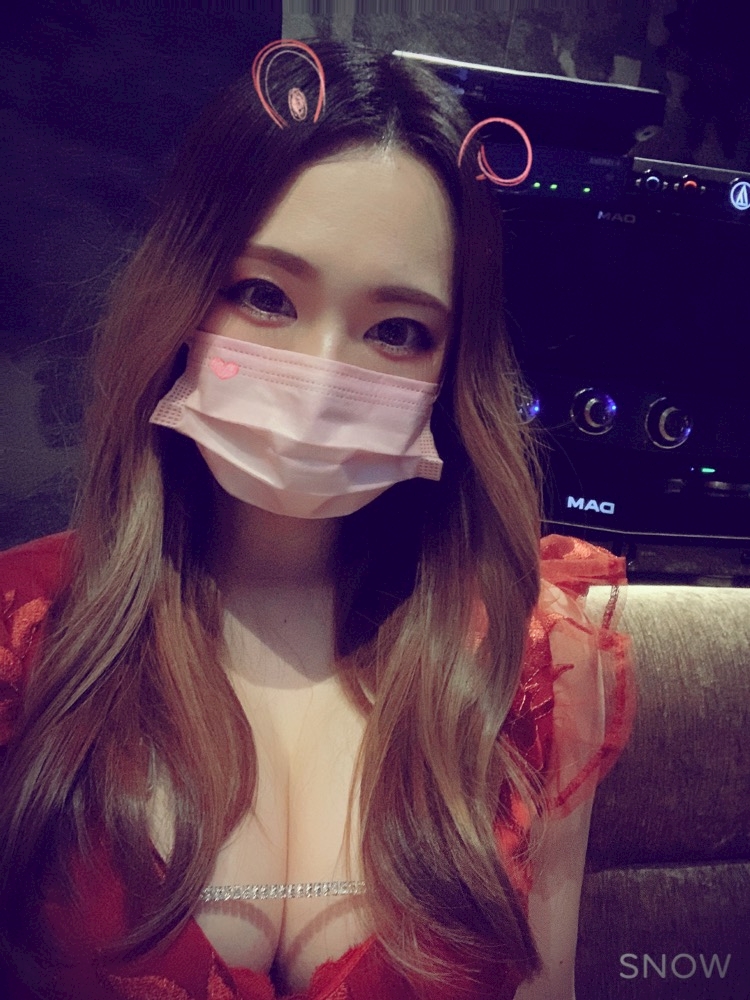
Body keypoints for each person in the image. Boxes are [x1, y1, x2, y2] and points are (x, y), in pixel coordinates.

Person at [0, 39, 634, 1000]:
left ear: (450, 366)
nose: (323, 374)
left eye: (397, 331)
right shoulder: (22, 637)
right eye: (265, 296)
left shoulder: (535, 661)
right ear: (181, 295)